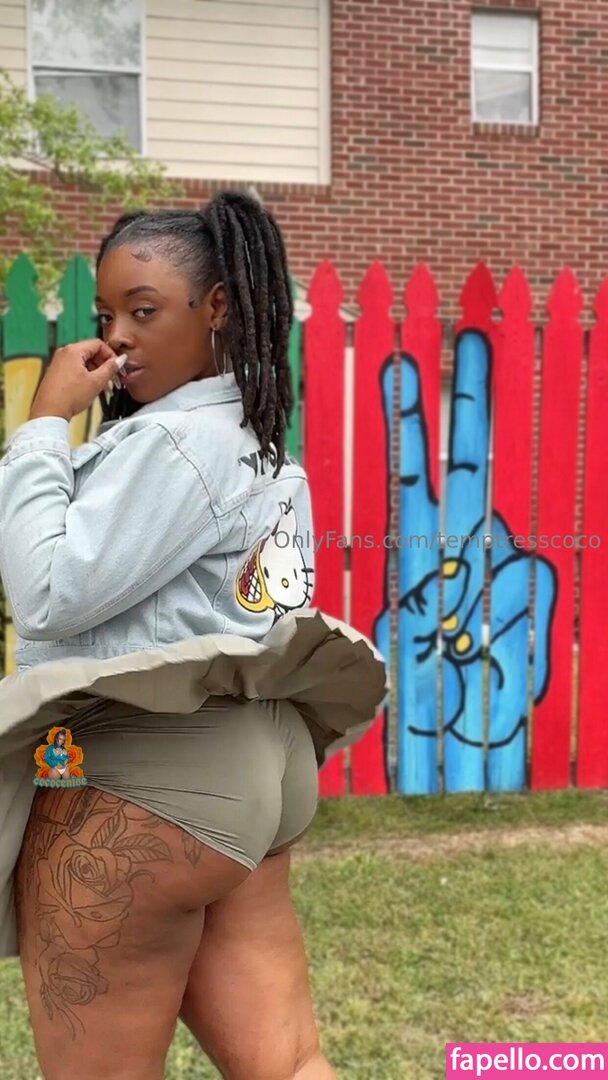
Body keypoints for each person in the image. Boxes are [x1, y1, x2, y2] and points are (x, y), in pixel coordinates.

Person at [0, 191, 389, 1079]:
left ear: (216, 307)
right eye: (107, 317)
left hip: (143, 773)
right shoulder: (258, 443)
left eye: (144, 311)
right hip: (255, 769)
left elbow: (49, 595)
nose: (119, 339)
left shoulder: (172, 444)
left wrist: (43, 428)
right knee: (290, 1064)